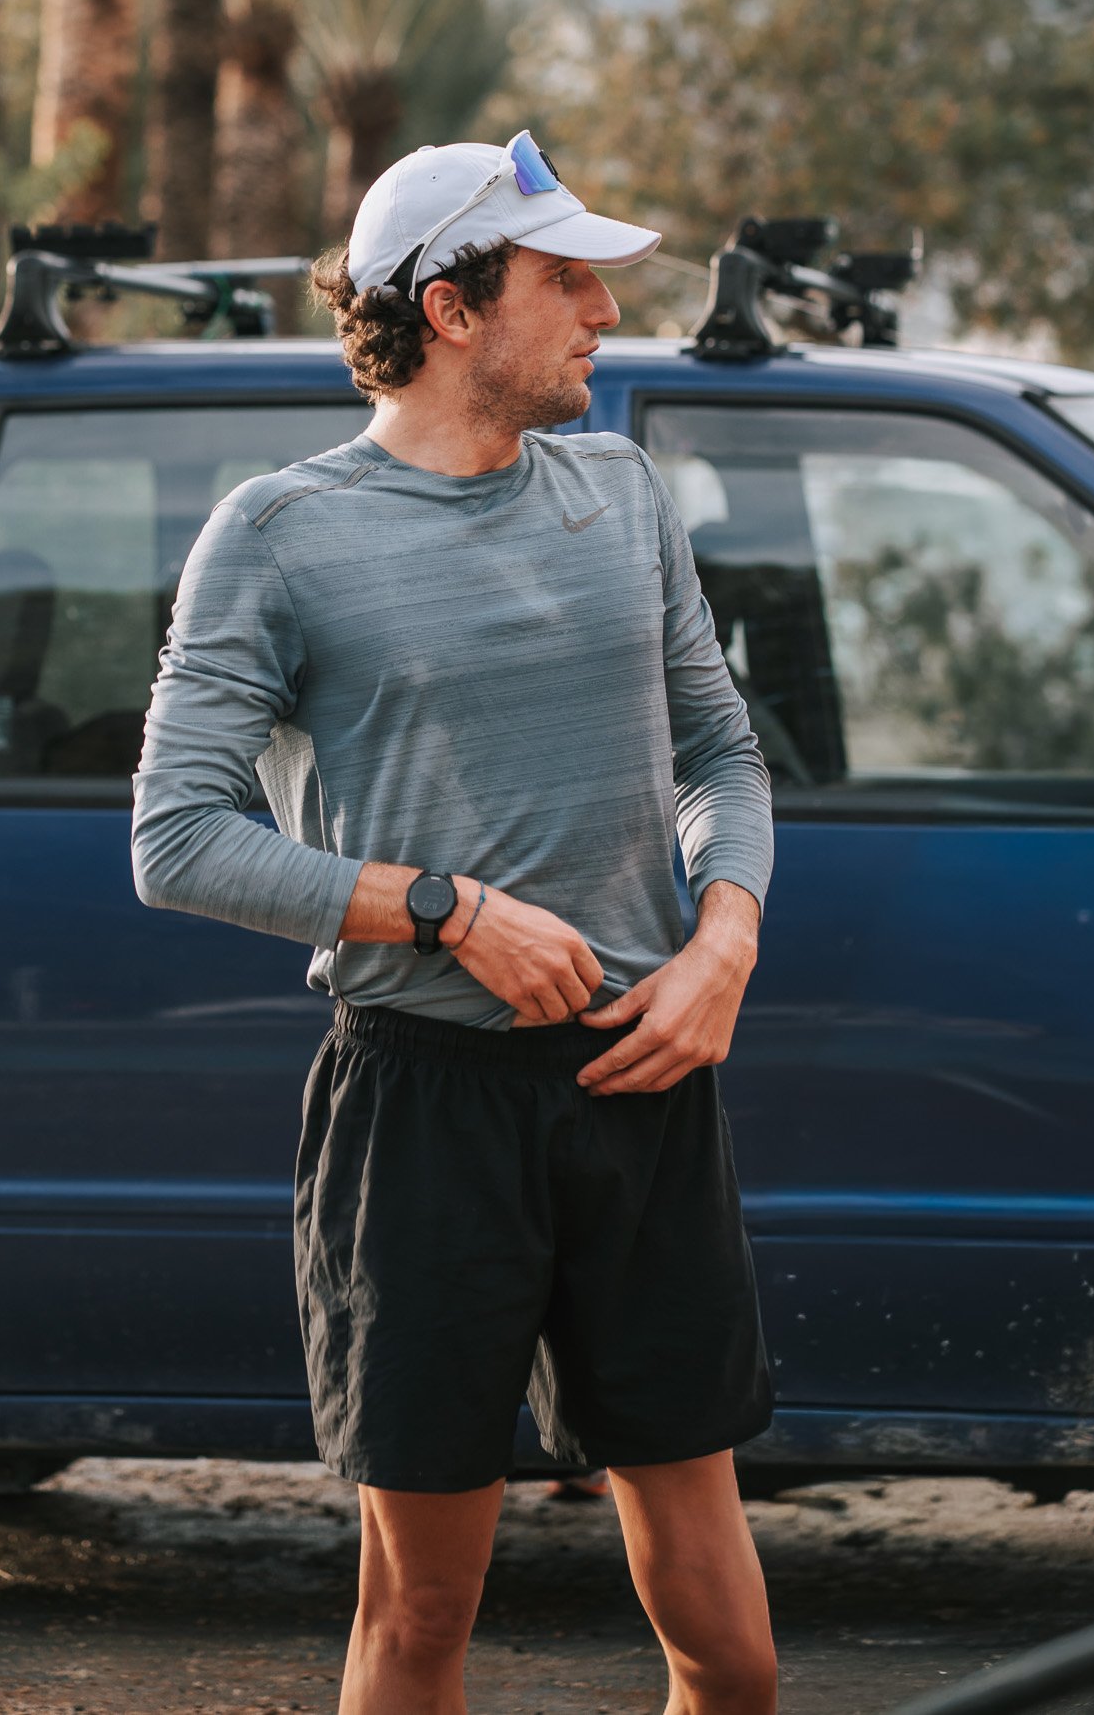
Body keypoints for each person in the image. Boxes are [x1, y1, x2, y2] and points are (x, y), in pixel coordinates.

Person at [133, 133, 777, 1715]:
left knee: (733, 1651)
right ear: (450, 307)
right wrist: (442, 912)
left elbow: (722, 754)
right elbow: (176, 838)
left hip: (643, 1091)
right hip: (424, 1111)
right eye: (567, 282)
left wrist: (723, 945)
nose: (602, 315)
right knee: (422, 1619)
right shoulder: (280, 534)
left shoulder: (621, 492)